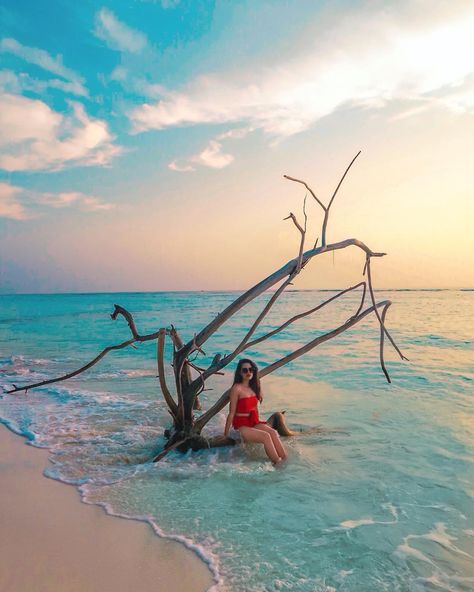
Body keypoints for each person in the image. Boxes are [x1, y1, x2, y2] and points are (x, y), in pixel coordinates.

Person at [224, 358, 287, 465]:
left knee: (272, 432)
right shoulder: (236, 388)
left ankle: (285, 460)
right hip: (242, 425)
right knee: (265, 436)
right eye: (245, 370)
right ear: (240, 372)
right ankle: (278, 464)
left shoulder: (253, 387)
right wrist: (225, 434)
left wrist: (259, 423)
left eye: (251, 369)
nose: (248, 372)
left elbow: (254, 408)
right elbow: (231, 413)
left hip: (253, 422)